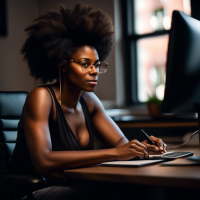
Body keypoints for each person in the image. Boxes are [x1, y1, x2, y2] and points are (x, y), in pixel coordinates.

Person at [11, 2, 167, 200]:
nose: (94, 71)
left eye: (97, 65)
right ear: (62, 64)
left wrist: (143, 148)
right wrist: (115, 154)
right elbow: (44, 161)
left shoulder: (90, 101)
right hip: (40, 190)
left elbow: (121, 144)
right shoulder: (41, 98)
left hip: (77, 185)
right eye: (85, 64)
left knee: (142, 186)